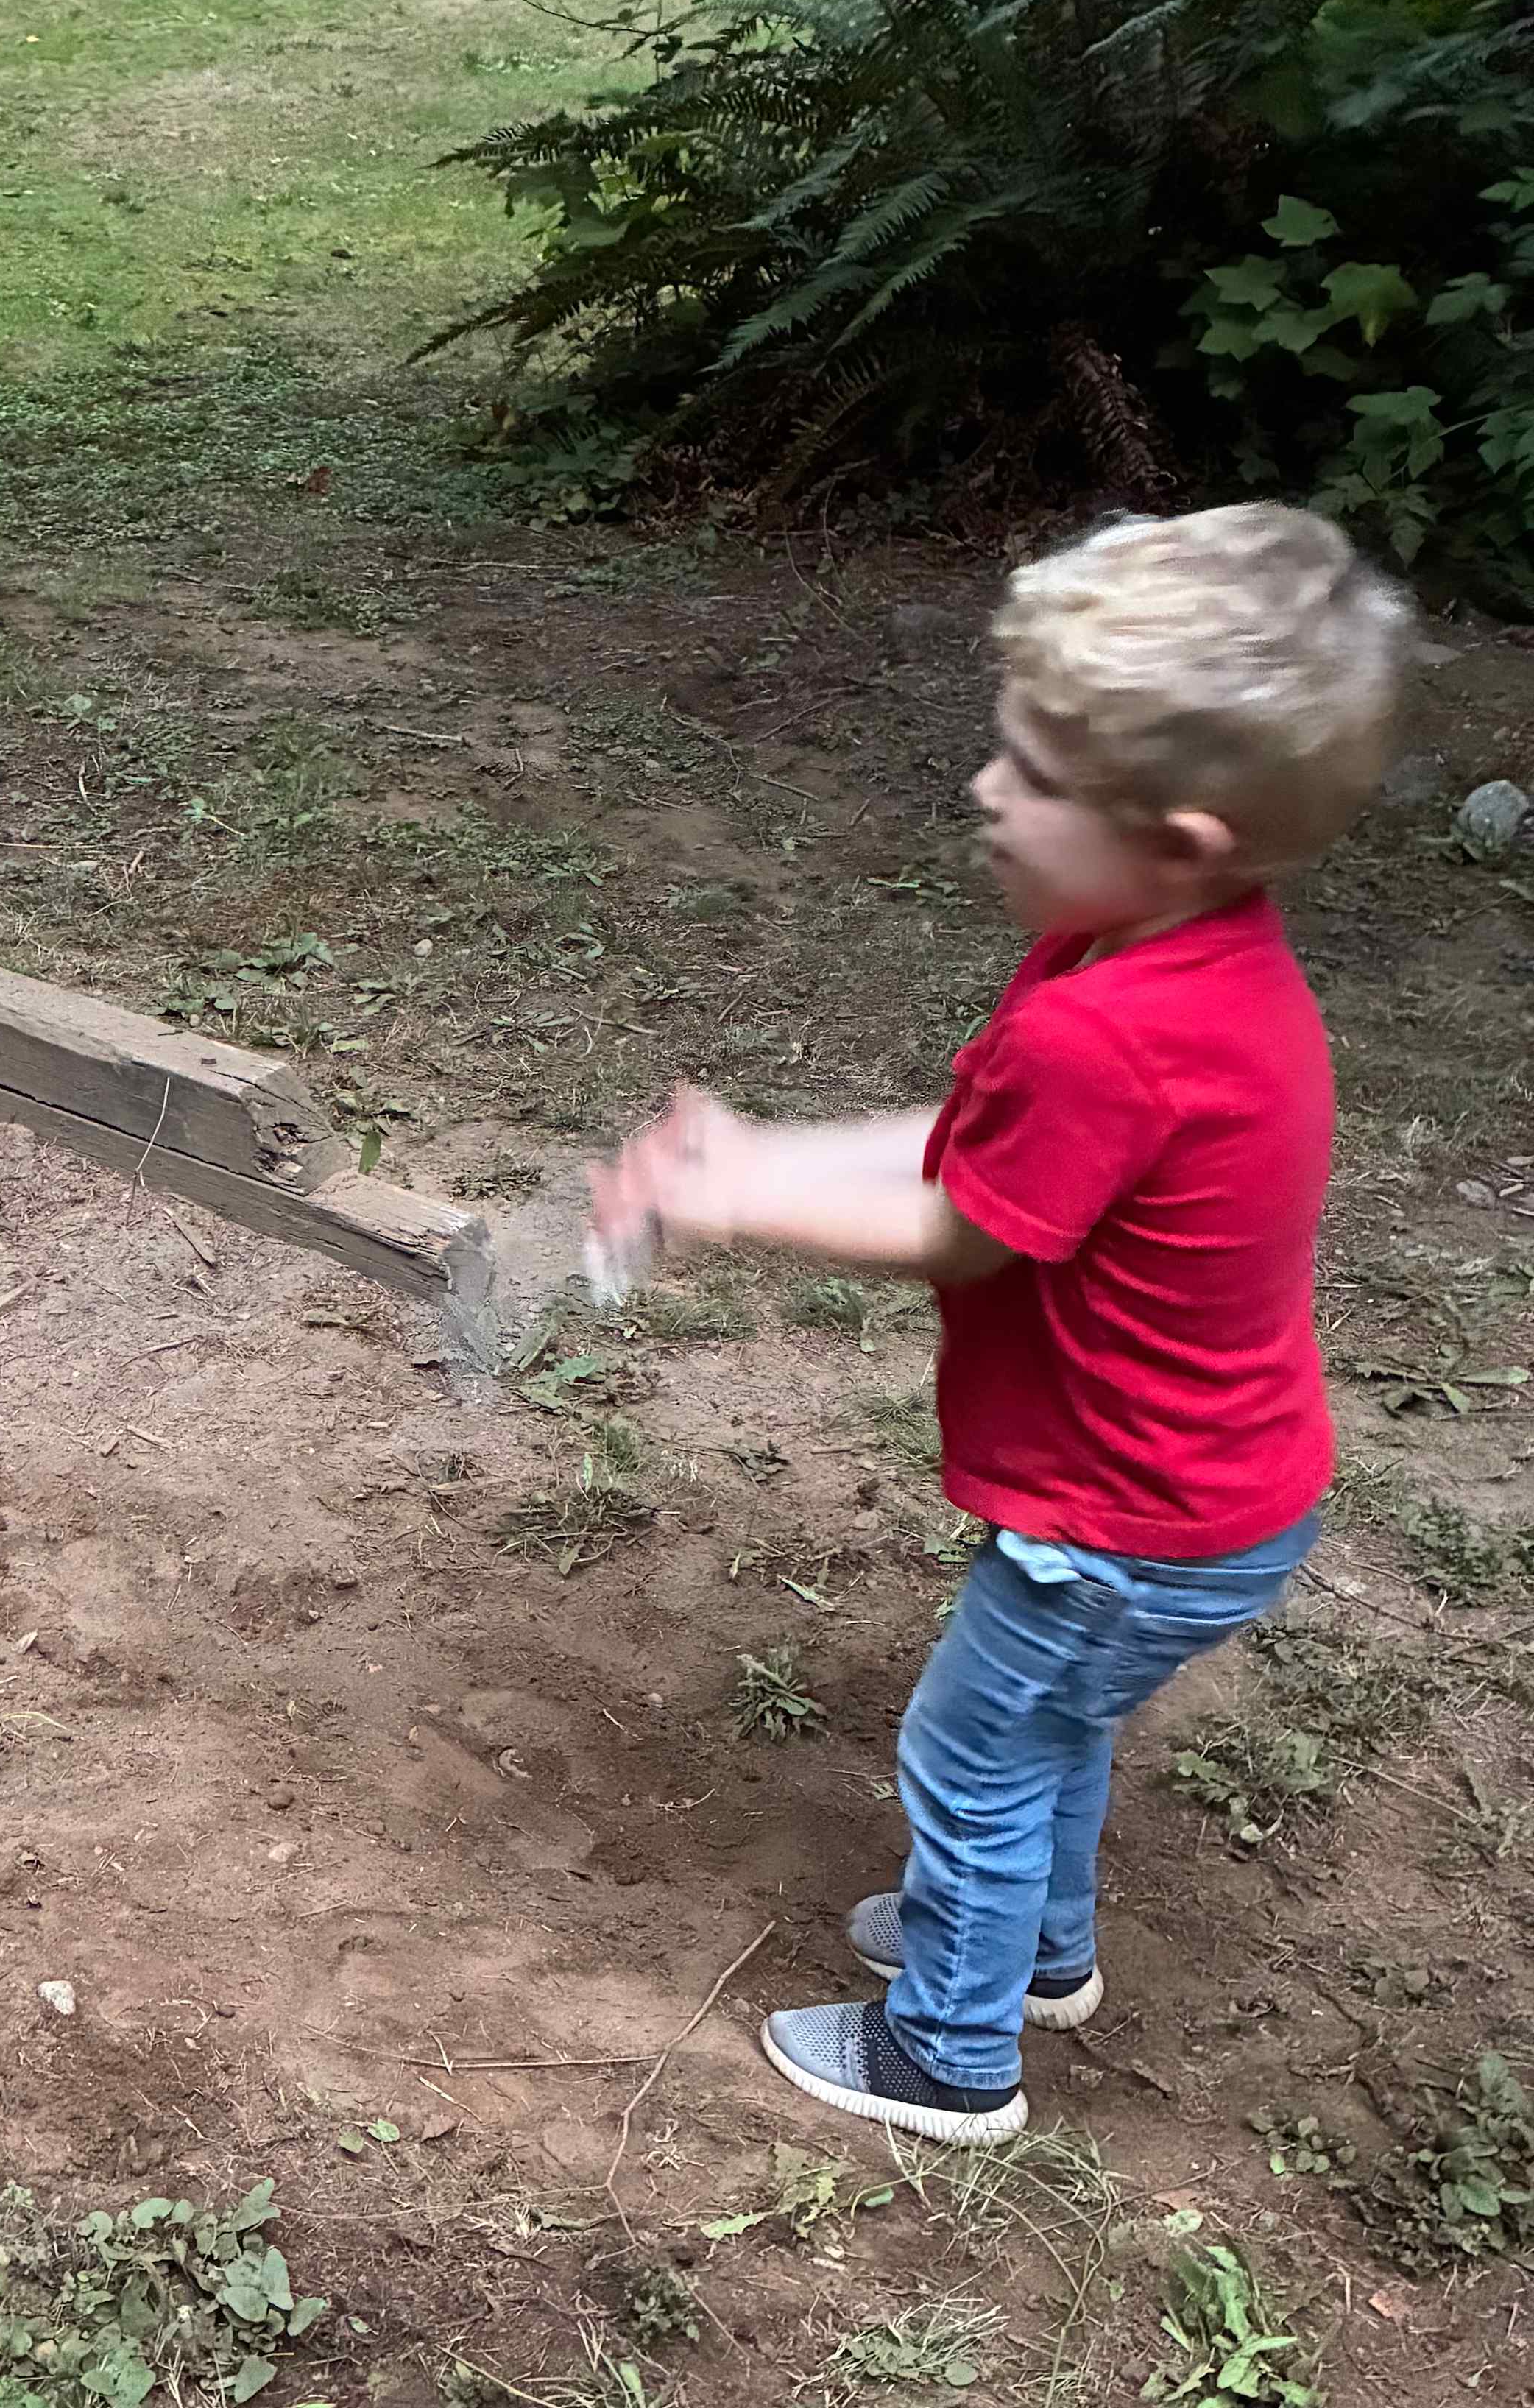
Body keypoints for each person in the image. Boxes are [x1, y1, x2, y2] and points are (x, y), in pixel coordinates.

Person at [590, 506, 1413, 2148]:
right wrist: (755, 1150)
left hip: (1132, 1519)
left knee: (971, 1756)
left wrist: (731, 1198)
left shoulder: (1119, 1032)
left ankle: (947, 2056)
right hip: (1197, 1496)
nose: (986, 786)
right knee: (1048, 1724)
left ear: (1181, 835)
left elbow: (964, 1224)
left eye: (1034, 773)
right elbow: (976, 1140)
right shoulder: (1152, 955)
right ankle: (1035, 1955)